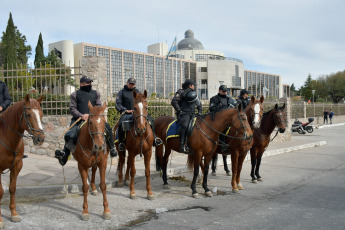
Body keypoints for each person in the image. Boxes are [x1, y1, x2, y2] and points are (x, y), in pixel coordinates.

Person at [55, 76, 117, 166]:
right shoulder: (75, 94)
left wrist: (93, 115)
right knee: (70, 135)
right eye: (87, 82)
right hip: (79, 119)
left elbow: (99, 106)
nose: (89, 84)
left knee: (107, 128)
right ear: (81, 84)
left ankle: (112, 149)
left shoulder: (96, 94)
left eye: (90, 82)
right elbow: (72, 108)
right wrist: (81, 115)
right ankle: (65, 155)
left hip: (94, 119)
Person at [115, 77, 162, 151]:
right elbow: (118, 104)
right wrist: (125, 110)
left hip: (139, 113)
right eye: (130, 83)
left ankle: (155, 138)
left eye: (133, 84)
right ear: (127, 83)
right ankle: (121, 143)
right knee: (121, 123)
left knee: (152, 121)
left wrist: (144, 106)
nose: (132, 85)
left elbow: (142, 101)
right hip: (127, 113)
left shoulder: (138, 92)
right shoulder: (121, 92)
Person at [171, 79, 202, 154]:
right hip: (184, 114)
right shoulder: (181, 92)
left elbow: (198, 103)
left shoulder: (193, 93)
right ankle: (182, 145)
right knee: (185, 125)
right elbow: (174, 101)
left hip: (193, 114)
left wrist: (200, 111)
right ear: (189, 85)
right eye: (193, 85)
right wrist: (179, 110)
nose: (194, 86)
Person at [209, 85, 237, 152]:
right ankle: (222, 144)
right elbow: (211, 109)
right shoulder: (214, 99)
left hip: (228, 119)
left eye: (225, 91)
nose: (225, 92)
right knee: (223, 128)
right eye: (223, 91)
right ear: (219, 90)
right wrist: (218, 106)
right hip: (217, 119)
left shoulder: (229, 99)